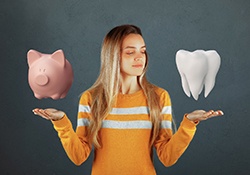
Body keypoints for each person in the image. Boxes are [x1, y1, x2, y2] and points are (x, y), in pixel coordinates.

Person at [33, 24, 223, 175]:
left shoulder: (159, 97)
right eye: (131, 52)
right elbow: (78, 156)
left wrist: (189, 124)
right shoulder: (92, 99)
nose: (140, 57)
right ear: (113, 56)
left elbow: (167, 157)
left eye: (143, 51)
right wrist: (61, 123)